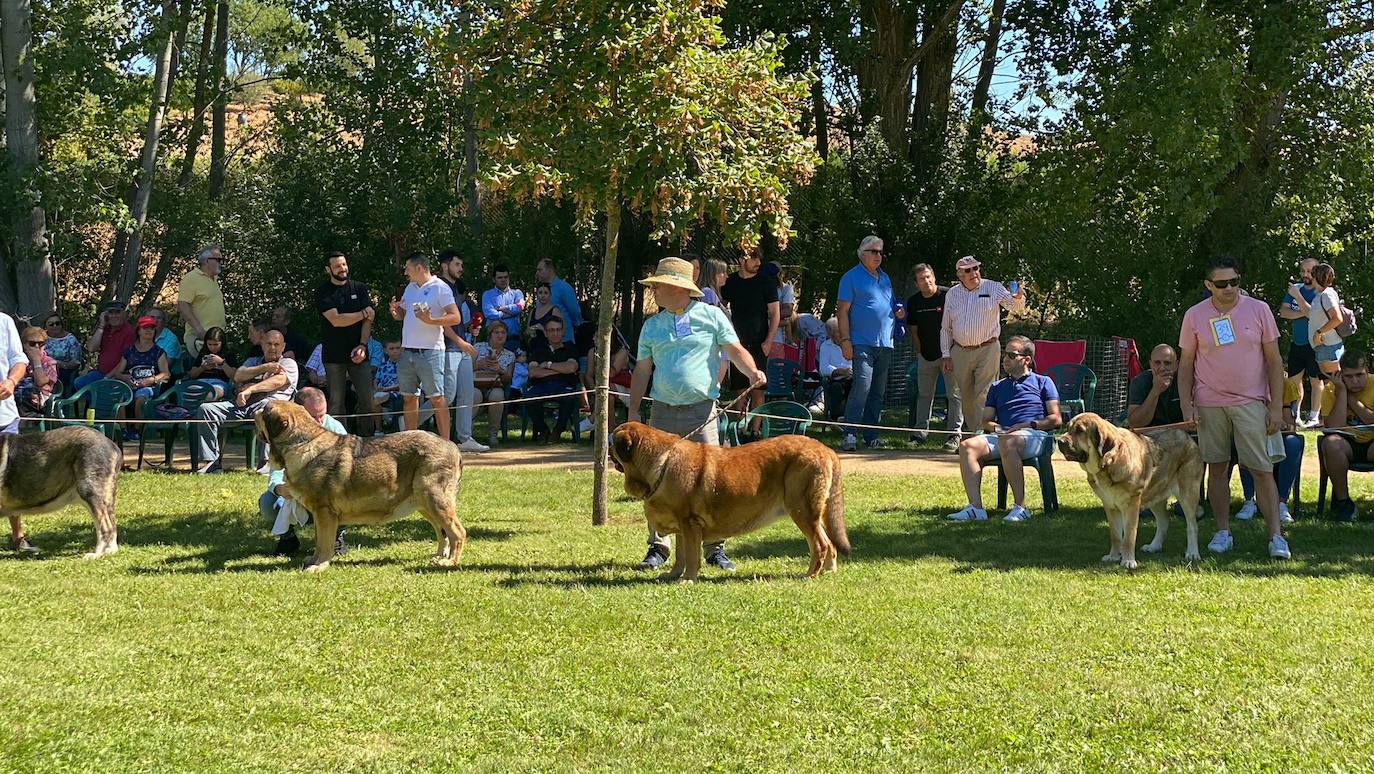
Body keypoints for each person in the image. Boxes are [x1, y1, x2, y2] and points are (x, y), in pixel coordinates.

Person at [628, 257, 767, 573]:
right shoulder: (652, 325)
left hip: (701, 412)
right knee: (655, 483)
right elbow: (641, 369)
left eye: (658, 286)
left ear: (675, 287)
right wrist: (634, 410)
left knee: (709, 481)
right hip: (661, 413)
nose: (654, 291)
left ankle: (714, 548)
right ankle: (658, 547)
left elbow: (734, 350)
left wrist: (753, 371)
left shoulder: (712, 316)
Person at [1178, 255, 1290, 559]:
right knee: (1217, 468)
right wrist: (1187, 406)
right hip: (1209, 402)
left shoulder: (1259, 309)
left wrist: (1276, 407)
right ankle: (1223, 531)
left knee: (1262, 470)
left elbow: (1274, 360)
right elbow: (1186, 363)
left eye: (1234, 282)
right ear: (1208, 285)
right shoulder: (1194, 315)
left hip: (1251, 402)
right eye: (1221, 283)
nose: (1229, 288)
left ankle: (1276, 537)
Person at [947, 336, 1062, 522]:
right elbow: (986, 421)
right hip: (1004, 435)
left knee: (1008, 442)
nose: (1005, 359)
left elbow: (1056, 419)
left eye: (1011, 355)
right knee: (967, 446)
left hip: (1035, 435)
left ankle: (1021, 507)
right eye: (1004, 354)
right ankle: (975, 508)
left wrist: (1027, 425)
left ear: (1027, 360)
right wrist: (998, 428)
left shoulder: (1043, 382)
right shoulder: (997, 386)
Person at [940, 255, 1025, 443]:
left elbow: (1014, 306)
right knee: (965, 396)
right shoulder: (952, 294)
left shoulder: (993, 287)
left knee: (984, 394)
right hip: (960, 350)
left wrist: (1018, 295)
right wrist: (946, 354)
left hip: (988, 348)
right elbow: (946, 327)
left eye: (976, 268)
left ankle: (983, 436)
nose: (974, 273)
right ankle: (975, 432)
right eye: (968, 270)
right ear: (960, 274)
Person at [259, 387, 349, 557]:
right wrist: (282, 489)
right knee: (267, 503)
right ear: (298, 412)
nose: (320, 421)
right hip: (295, 496)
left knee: (346, 496)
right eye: (313, 417)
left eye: (322, 414)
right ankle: (287, 539)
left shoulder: (335, 427)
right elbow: (275, 475)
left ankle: (337, 537)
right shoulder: (284, 431)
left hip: (328, 495)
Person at [195, 329, 298, 473]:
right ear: (262, 344)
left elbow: (278, 380)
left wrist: (251, 389)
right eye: (269, 343)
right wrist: (265, 367)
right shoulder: (253, 361)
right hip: (242, 405)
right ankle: (211, 462)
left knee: (268, 406)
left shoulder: (288, 363)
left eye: (276, 344)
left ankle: (266, 463)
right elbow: (238, 375)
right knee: (206, 409)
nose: (272, 348)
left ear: (283, 346)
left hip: (268, 408)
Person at [388, 252, 462, 444]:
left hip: (430, 352)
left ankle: (446, 445)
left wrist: (432, 320)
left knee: (437, 398)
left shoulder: (440, 288)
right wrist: (396, 312)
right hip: (407, 351)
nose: (406, 272)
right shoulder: (410, 287)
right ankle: (410, 444)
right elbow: (404, 315)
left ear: (419, 268)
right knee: (409, 398)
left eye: (408, 268)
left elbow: (455, 317)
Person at [836, 235, 896, 451]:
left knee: (878, 392)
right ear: (862, 253)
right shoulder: (850, 277)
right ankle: (850, 434)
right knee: (862, 386)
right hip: (861, 342)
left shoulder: (885, 278)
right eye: (873, 251)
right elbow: (842, 311)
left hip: (885, 343)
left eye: (880, 252)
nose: (878, 255)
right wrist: (845, 340)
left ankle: (871, 436)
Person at [315, 251, 377, 437]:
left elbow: (369, 321)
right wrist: (363, 313)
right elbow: (336, 320)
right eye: (337, 266)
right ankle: (338, 440)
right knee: (336, 402)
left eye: (344, 264)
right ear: (328, 269)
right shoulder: (323, 292)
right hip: (333, 356)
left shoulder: (359, 288)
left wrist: (363, 345)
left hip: (360, 353)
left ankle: (366, 439)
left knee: (367, 398)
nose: (342, 269)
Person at [720, 245, 779, 436]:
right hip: (736, 344)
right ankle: (740, 429)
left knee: (758, 389)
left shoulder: (766, 282)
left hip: (759, 343)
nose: (758, 262)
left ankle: (755, 430)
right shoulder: (731, 282)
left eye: (758, 258)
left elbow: (775, 314)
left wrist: (769, 341)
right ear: (741, 259)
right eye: (753, 258)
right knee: (739, 389)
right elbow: (720, 306)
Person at [906, 263, 963, 450]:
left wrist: (952, 351)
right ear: (916, 283)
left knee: (954, 395)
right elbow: (913, 331)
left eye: (929, 276)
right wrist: (920, 352)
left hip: (950, 355)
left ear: (934, 277)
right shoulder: (914, 302)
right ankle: (919, 434)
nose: (927, 281)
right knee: (924, 395)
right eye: (922, 279)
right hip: (926, 356)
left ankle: (954, 435)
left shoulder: (949, 295)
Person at [437, 250, 487, 452]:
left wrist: (469, 329)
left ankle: (465, 438)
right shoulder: (439, 288)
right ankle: (406, 423)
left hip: (461, 345)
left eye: (461, 265)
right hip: (448, 347)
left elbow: (455, 321)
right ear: (444, 265)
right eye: (457, 264)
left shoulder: (457, 288)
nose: (460, 268)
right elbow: (441, 324)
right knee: (446, 396)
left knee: (466, 394)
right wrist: (461, 342)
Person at [1319, 350, 1374, 522]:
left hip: (1372, 442)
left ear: (1367, 370)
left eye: (1359, 375)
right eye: (1349, 377)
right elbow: (1334, 427)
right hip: (1346, 442)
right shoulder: (1331, 389)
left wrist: (1350, 398)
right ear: (1341, 374)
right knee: (1331, 443)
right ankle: (1343, 503)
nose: (1355, 381)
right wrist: (1342, 393)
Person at [0, 314, 36, 553]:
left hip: (4, 416)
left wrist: (12, 382)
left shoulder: (4, 322)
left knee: (9, 479)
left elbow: (19, 360)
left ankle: (18, 536)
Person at [109, 315, 171, 440]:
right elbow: (118, 372)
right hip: (130, 384)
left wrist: (152, 380)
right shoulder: (129, 351)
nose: (149, 331)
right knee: (119, 397)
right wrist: (125, 378)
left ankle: (138, 430)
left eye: (152, 328)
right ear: (138, 330)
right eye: (145, 328)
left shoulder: (158, 351)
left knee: (141, 398)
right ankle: (123, 430)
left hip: (149, 387)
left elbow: (166, 373)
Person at [1279, 258, 1324, 427]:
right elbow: (1283, 312)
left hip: (1316, 343)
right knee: (1294, 381)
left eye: (1309, 271)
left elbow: (1315, 315)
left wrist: (1297, 299)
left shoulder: (1321, 292)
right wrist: (1306, 312)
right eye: (1302, 271)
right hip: (1297, 342)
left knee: (1315, 380)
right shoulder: (1296, 288)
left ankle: (1314, 416)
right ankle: (1294, 414)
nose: (1305, 275)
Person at [522, 318, 581, 442]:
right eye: (551, 330)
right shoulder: (538, 350)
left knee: (569, 397)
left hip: (564, 385)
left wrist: (548, 365)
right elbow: (533, 372)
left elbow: (571, 368)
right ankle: (543, 430)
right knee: (529, 398)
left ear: (563, 331)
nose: (555, 333)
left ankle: (558, 431)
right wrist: (560, 369)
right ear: (546, 333)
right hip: (541, 386)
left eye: (558, 330)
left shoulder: (570, 348)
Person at [474, 322, 522, 446]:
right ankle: (466, 434)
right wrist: (479, 364)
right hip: (476, 384)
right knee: (474, 395)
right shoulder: (478, 347)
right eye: (496, 332)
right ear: (490, 334)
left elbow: (508, 379)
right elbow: (465, 368)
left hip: (495, 385)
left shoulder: (510, 355)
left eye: (503, 333)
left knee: (497, 396)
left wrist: (499, 369)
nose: (500, 335)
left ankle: (493, 434)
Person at [176, 245, 226, 355]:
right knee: (203, 370)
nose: (221, 263)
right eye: (218, 259)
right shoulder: (191, 278)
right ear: (207, 261)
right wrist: (199, 331)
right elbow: (183, 305)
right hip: (200, 338)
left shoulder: (214, 279)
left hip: (216, 337)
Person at [75, 301, 137, 390]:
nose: (114, 316)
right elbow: (91, 348)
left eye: (118, 312)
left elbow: (125, 359)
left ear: (124, 314)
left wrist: (108, 377)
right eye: (111, 312)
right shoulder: (105, 329)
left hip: (118, 376)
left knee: (103, 393)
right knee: (79, 383)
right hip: (100, 373)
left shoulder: (129, 332)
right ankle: (96, 402)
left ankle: (98, 402)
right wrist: (101, 326)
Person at [1126, 344, 1184, 428]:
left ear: (1176, 365)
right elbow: (1135, 423)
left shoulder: (1185, 381)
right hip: (1148, 435)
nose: (1162, 368)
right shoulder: (1139, 382)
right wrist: (1155, 391)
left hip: (1181, 434)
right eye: (1157, 363)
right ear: (1150, 364)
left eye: (1167, 363)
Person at [1305, 262, 1345, 378]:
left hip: (1328, 346)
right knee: (1329, 385)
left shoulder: (1326, 295)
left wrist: (1319, 333)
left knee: (1334, 385)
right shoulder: (1323, 294)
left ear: (1316, 278)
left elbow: (1337, 318)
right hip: (1324, 347)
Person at [535, 258, 582, 343]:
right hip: (544, 342)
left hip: (564, 340)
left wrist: (576, 326)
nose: (537, 273)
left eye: (540, 270)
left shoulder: (564, 288)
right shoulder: (541, 290)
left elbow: (575, 311)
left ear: (550, 270)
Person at [186, 327, 239, 399]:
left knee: (211, 395)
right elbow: (192, 375)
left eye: (216, 344)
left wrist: (222, 363)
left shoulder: (228, 354)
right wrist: (202, 368)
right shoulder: (203, 353)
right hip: (201, 382)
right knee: (188, 393)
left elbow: (234, 376)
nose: (212, 348)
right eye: (209, 344)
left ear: (222, 343)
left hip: (219, 383)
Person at [16, 326, 57, 417]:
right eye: (32, 343)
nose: (37, 346)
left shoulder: (49, 362)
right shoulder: (17, 360)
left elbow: (41, 382)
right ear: (23, 344)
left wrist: (36, 361)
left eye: (40, 343)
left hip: (41, 397)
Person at [817, 317, 852, 422]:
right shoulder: (825, 346)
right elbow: (823, 368)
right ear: (830, 334)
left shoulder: (851, 343)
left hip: (853, 377)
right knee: (836, 388)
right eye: (838, 331)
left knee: (858, 385)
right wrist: (840, 371)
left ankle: (855, 417)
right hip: (835, 379)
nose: (842, 333)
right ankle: (837, 419)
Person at [482, 264, 526, 341]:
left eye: (506, 277)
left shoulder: (517, 293)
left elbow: (519, 307)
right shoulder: (487, 294)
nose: (503, 280)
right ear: (493, 279)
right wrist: (508, 314)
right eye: (500, 277)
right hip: (494, 340)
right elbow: (489, 313)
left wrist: (502, 308)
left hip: (513, 338)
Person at [43, 312, 82, 392]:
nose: (55, 326)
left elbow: (76, 362)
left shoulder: (70, 339)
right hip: (43, 369)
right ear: (46, 326)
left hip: (64, 370)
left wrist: (57, 364)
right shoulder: (42, 338)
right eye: (51, 324)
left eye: (57, 323)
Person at [371, 340, 402, 433]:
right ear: (385, 350)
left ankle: (381, 428)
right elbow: (376, 379)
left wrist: (386, 389)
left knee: (377, 398)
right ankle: (378, 429)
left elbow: (404, 383)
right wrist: (376, 387)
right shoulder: (383, 365)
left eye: (397, 348)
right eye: (391, 349)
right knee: (372, 397)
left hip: (397, 392)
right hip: (382, 391)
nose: (395, 351)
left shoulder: (405, 365)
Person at [144, 307, 183, 378]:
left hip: (169, 377)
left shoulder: (171, 339)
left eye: (159, 318)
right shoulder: (140, 335)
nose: (155, 321)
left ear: (163, 321)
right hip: (142, 373)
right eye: (152, 317)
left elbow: (165, 367)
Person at [526, 283, 564, 348]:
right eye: (540, 293)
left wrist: (543, 329)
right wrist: (531, 330)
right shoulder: (533, 311)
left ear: (550, 295)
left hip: (549, 348)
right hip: (533, 347)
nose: (543, 295)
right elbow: (527, 331)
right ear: (537, 295)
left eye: (546, 293)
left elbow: (562, 332)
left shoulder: (554, 310)